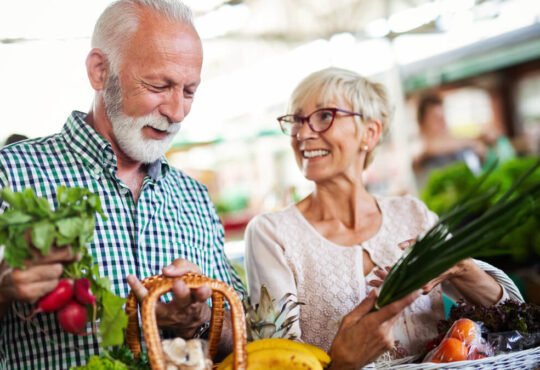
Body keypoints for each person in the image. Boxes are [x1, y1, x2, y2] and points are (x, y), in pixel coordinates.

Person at [0, 1, 244, 368]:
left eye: (189, 91)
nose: (176, 112)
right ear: (100, 71)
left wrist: (202, 319)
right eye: (159, 86)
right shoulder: (11, 176)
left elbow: (244, 340)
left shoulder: (193, 197)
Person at [244, 67, 523, 368]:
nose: (303, 133)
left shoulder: (414, 215)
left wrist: (462, 268)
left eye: (324, 116)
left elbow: (514, 318)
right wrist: (340, 363)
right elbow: (276, 359)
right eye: (296, 120)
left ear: (370, 133)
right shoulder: (272, 234)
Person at [412, 94, 497, 180]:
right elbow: (429, 148)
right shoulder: (417, 147)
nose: (443, 123)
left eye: (443, 117)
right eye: (436, 119)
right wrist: (472, 142)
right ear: (421, 123)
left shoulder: (454, 147)